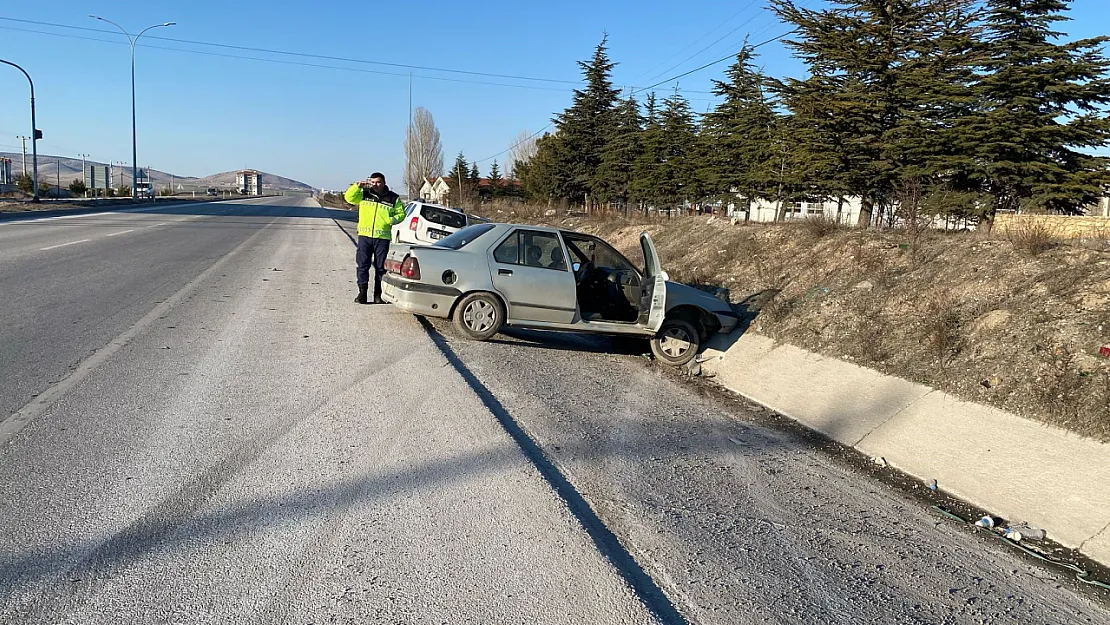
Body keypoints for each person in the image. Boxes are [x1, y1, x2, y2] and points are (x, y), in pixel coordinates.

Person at [345, 172, 405, 304]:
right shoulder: (364, 194)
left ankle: (378, 295)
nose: (375, 185)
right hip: (365, 236)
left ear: (383, 182)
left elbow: (401, 214)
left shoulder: (393, 198)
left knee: (380, 267)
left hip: (382, 237)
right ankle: (362, 293)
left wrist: (391, 220)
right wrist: (357, 186)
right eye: (372, 182)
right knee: (362, 265)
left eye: (378, 182)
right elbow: (349, 198)